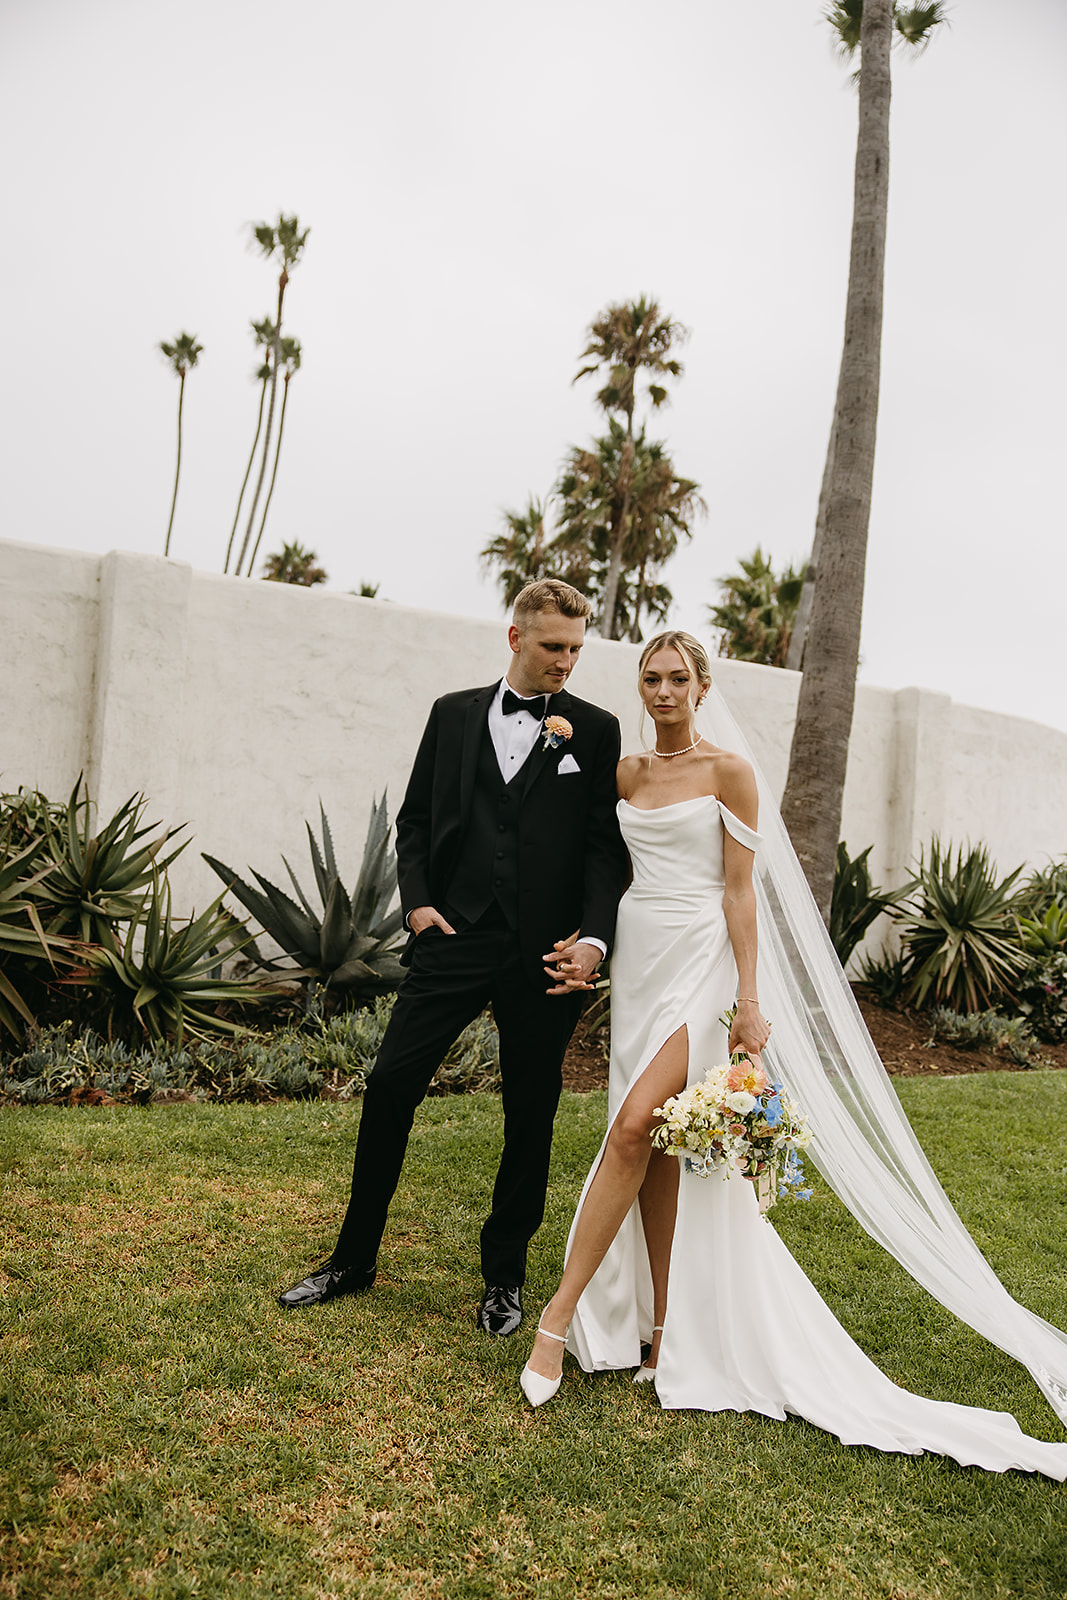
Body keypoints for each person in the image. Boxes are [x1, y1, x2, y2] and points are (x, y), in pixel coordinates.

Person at [520, 630, 1067, 1480]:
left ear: (703, 688)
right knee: (659, 1146)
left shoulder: (730, 772)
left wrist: (747, 1001)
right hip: (641, 957)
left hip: (700, 960)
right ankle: (663, 1329)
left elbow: (740, 893)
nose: (662, 692)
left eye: (677, 680)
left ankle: (556, 1320)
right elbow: (604, 866)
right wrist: (587, 943)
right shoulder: (626, 774)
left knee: (631, 1129)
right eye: (650, 679)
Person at [278, 579, 627, 1336]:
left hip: (547, 952)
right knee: (390, 1083)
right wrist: (418, 901)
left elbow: (605, 849)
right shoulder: (452, 713)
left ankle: (503, 1280)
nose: (565, 662)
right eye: (551, 647)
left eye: (574, 649)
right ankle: (352, 1259)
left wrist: (594, 939)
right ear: (515, 638)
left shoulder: (594, 731)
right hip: (453, 936)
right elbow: (417, 817)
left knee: (528, 1113)